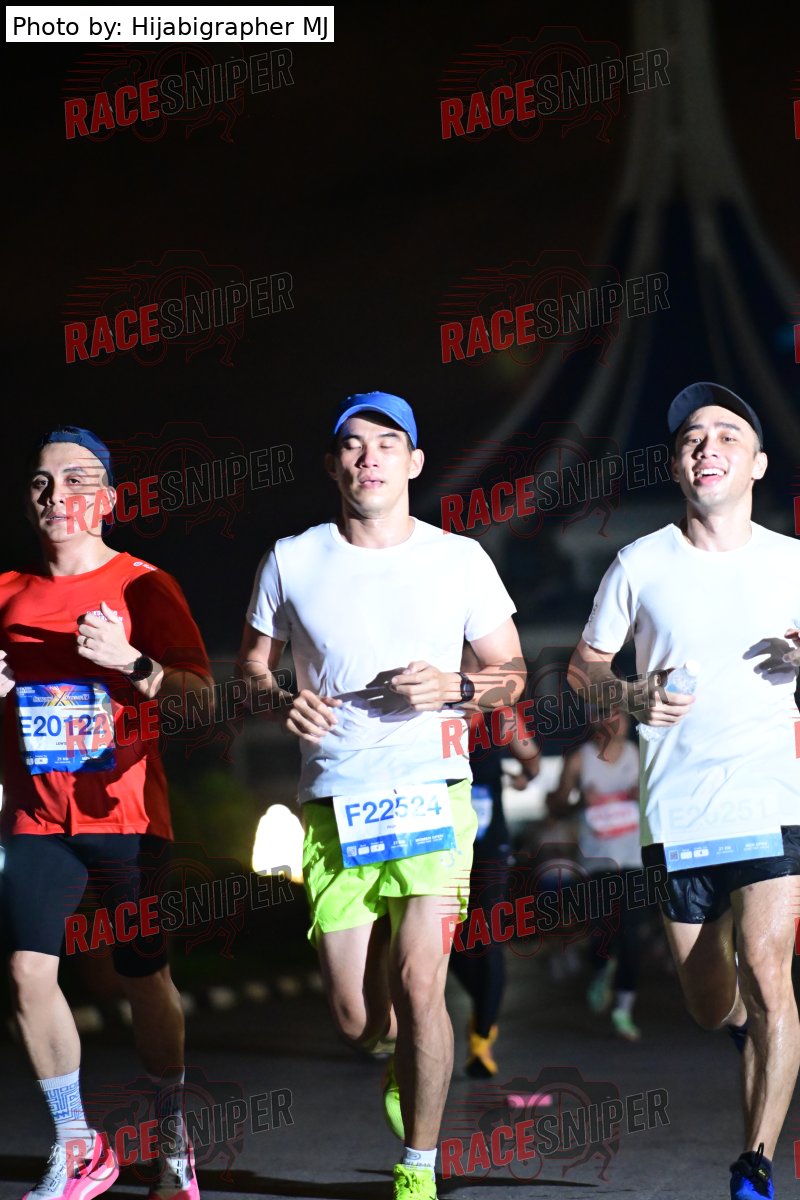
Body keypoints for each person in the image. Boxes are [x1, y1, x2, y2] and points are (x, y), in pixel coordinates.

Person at [237, 392, 524, 1200]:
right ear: (333, 464)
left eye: (387, 443)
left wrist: (456, 687)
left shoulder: (459, 559)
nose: (370, 458)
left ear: (414, 462)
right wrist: (278, 699)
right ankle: (399, 1058)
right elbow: (252, 667)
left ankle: (418, 1166)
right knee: (358, 1018)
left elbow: (510, 674)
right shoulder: (292, 559)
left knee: (422, 980)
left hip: (433, 791)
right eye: (354, 445)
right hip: (337, 801)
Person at [568, 382, 800, 1199]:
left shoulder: (793, 561)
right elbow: (584, 670)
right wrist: (630, 695)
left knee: (770, 973)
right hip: (679, 812)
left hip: (771, 799)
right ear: (675, 466)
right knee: (711, 1004)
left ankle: (755, 1165)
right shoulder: (641, 563)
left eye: (728, 435)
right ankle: (739, 1025)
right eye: (693, 438)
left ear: (758, 464)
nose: (708, 446)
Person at [0, 427, 213, 1200]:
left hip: (126, 817)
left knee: (143, 975)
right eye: (42, 481)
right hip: (34, 817)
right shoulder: (5, 592)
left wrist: (132, 663)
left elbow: (201, 700)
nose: (57, 495)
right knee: (26, 972)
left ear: (110, 499)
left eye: (76, 480)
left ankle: (171, 1136)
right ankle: (78, 1144)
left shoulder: (144, 584)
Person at [448, 646, 540, 1077]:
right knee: (448, 942)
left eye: (473, 668)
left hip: (489, 847)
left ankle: (481, 1039)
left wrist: (525, 774)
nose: (466, 676)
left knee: (488, 937)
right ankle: (482, 1009)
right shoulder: (435, 716)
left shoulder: (501, 714)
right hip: (443, 846)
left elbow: (531, 758)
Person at [546, 712, 644, 1041]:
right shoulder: (580, 759)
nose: (621, 725)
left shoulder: (637, 755)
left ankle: (624, 1008)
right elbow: (556, 805)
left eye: (624, 718)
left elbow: (661, 796)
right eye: (612, 717)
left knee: (631, 936)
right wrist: (579, 801)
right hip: (596, 861)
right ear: (597, 722)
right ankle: (601, 969)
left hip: (633, 859)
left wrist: (641, 795)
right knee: (602, 930)